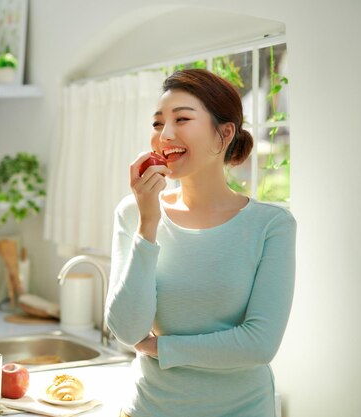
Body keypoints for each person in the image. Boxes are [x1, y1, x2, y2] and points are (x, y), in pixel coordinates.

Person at [105, 68, 296, 417]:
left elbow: (259, 344)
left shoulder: (271, 225)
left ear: (223, 134)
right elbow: (127, 329)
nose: (165, 134)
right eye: (158, 123)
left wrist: (161, 347)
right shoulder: (134, 213)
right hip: (150, 409)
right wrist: (148, 224)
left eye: (182, 119)